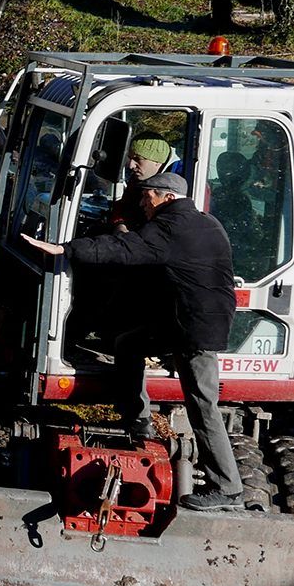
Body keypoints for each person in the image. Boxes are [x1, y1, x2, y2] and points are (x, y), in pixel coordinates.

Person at [23, 171, 244, 512]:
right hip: (196, 320)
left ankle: (227, 488)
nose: (143, 201)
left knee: (202, 405)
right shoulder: (207, 223)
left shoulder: (171, 227)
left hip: (195, 330)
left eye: (148, 196)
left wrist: (66, 249)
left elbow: (124, 249)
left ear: (167, 198)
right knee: (129, 343)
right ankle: (138, 420)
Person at [109, 134, 171, 232]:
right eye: (130, 158)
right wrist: (120, 223)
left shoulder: (171, 190)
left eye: (138, 159)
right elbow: (123, 206)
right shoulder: (136, 180)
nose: (131, 165)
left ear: (158, 162)